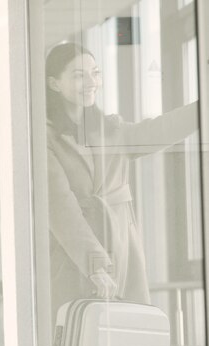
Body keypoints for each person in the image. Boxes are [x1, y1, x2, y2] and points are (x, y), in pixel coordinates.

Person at [45, 42, 198, 315]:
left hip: (123, 250)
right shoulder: (45, 139)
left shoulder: (111, 129)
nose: (91, 82)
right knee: (82, 342)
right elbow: (61, 209)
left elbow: (158, 131)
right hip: (74, 257)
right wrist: (95, 265)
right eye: (79, 75)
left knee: (132, 343)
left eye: (95, 72)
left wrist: (200, 110)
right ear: (54, 84)